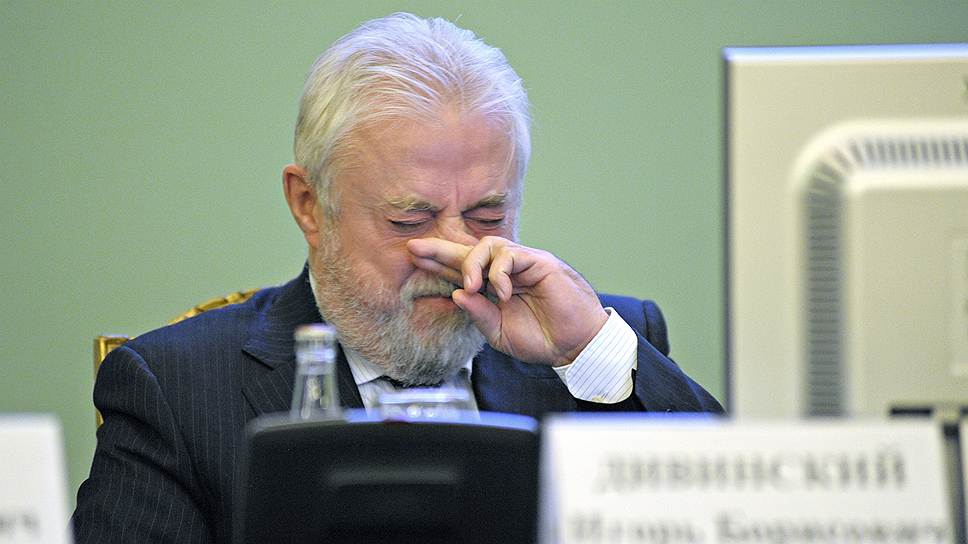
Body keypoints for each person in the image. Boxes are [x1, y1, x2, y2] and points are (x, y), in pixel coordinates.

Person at [72, 12, 723, 543]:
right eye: (410, 219)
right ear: (309, 205)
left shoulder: (595, 350)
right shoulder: (175, 389)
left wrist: (589, 353)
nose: (458, 252)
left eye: (488, 215)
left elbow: (738, 514)